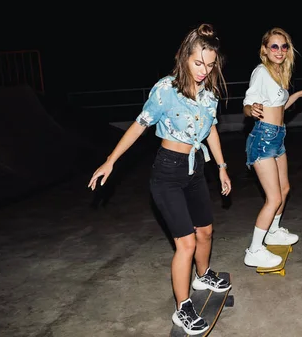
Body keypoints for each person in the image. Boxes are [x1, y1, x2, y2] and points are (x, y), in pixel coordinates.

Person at [87, 23, 233, 335]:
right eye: (198, 63)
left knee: (206, 232)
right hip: (167, 171)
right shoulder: (166, 89)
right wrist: (110, 161)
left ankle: (203, 274)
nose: (203, 71)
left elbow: (211, 132)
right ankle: (182, 308)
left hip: (196, 169)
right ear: (184, 57)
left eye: (209, 65)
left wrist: (221, 166)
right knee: (186, 242)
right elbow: (139, 125)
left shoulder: (210, 96)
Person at [242, 27, 302, 268]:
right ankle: (254, 249)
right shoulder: (261, 72)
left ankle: (273, 231)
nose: (280, 51)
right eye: (274, 46)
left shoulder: (278, 72)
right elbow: (247, 103)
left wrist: (300, 94)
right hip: (263, 138)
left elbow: (280, 107)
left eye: (284, 46)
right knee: (273, 198)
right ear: (265, 49)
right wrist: (250, 109)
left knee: (284, 189)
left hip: (278, 136)